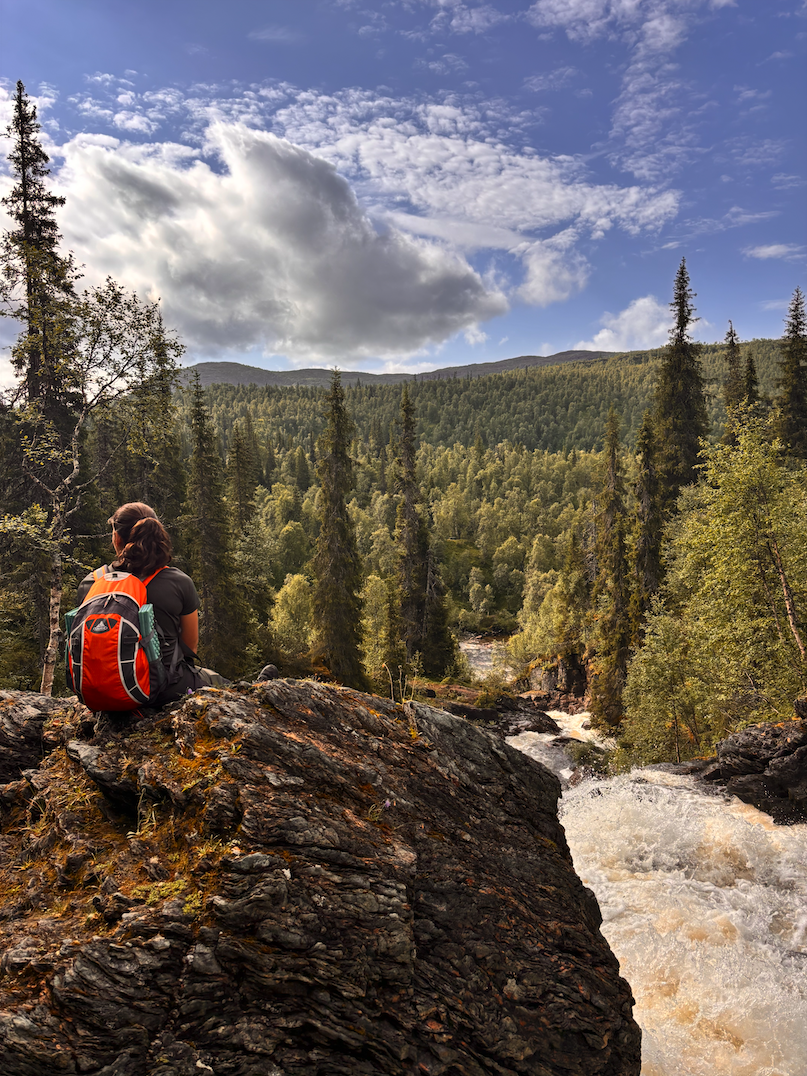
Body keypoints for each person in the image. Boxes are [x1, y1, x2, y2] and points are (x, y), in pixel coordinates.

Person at [76, 502, 226, 704]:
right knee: (223, 686)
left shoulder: (91, 583)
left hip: (99, 692)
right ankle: (260, 688)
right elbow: (190, 647)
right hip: (164, 690)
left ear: (117, 538)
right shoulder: (179, 582)